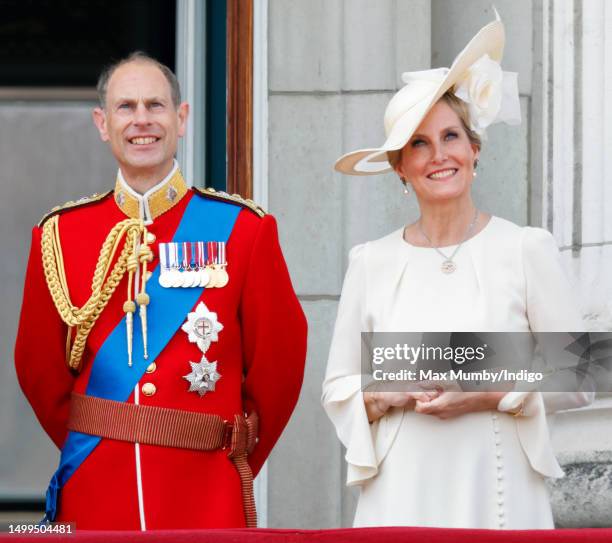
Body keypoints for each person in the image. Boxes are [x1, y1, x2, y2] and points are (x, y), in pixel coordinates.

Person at [14, 52, 307, 530]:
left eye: (156, 105)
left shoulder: (242, 230)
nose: (142, 120)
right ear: (102, 123)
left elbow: (280, 368)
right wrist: (101, 438)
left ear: (182, 118)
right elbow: (38, 370)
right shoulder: (60, 235)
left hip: (206, 492)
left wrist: (227, 454)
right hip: (96, 489)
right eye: (125, 107)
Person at [322, 16, 592, 529]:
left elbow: (582, 372)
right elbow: (337, 386)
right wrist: (386, 393)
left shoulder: (524, 247)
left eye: (450, 136)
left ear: (475, 150)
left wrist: (488, 393)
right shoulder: (371, 261)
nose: (439, 155)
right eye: (419, 143)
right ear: (400, 166)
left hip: (499, 490)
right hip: (399, 493)